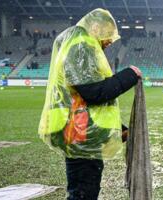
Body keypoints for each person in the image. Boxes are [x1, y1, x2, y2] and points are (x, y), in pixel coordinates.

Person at [38, 8, 142, 200]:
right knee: (83, 192)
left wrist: (119, 129)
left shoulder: (74, 41)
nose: (109, 41)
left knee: (82, 189)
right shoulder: (81, 44)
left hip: (77, 130)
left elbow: (81, 97)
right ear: (95, 27)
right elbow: (94, 92)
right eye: (107, 34)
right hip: (80, 133)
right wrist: (129, 75)